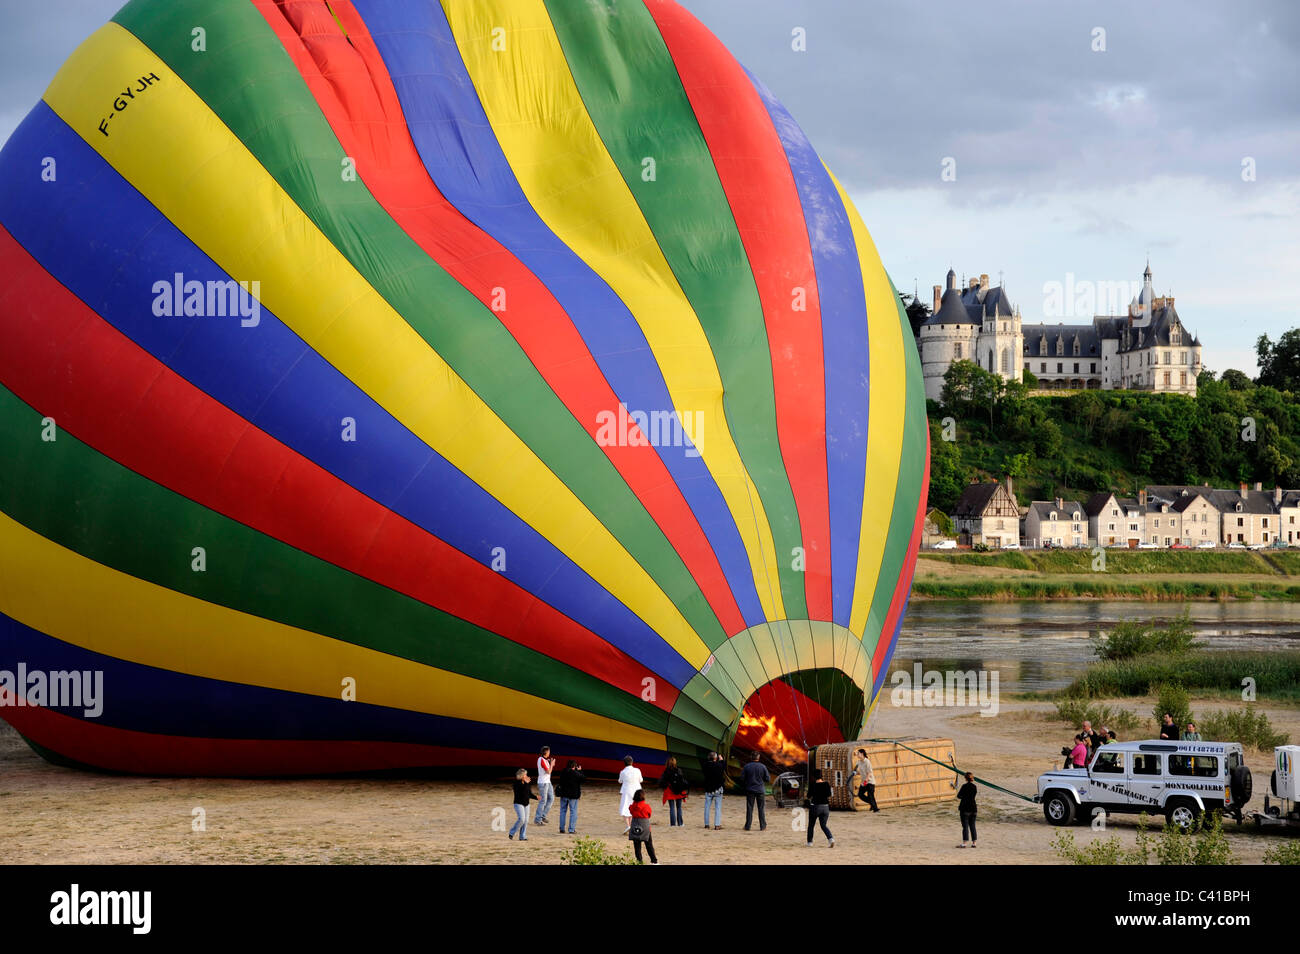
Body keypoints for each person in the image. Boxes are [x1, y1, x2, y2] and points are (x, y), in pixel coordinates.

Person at [805, 768, 835, 848]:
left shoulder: (813, 785)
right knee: (823, 825)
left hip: (815, 807)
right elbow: (829, 794)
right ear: (821, 776)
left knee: (811, 825)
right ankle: (831, 839)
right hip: (825, 807)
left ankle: (810, 842)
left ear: (814, 777)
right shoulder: (826, 784)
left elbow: (808, 796)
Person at [741, 752, 770, 831]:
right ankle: (763, 826)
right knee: (761, 808)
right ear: (758, 757)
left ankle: (747, 826)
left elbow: (742, 778)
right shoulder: (763, 767)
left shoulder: (747, 766)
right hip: (760, 790)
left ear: (751, 757)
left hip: (750, 790)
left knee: (749, 808)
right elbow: (767, 779)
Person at [628, 789, 658, 864]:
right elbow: (649, 815)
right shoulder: (646, 806)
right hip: (645, 828)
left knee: (637, 846)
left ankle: (639, 861)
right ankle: (654, 861)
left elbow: (631, 811)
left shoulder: (632, 807)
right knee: (649, 845)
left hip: (635, 826)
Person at [556, 759, 585, 834]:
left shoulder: (563, 772)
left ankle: (562, 828)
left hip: (564, 794)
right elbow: (583, 779)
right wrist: (579, 771)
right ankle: (571, 829)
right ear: (574, 766)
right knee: (573, 812)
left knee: (563, 811)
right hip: (573, 795)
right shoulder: (575, 773)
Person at [509, 768, 538, 841]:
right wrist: (526, 783)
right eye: (525, 775)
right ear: (521, 776)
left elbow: (528, 794)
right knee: (522, 819)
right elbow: (522, 792)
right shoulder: (516, 783)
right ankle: (512, 832)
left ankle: (522, 836)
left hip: (526, 804)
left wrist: (536, 797)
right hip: (518, 804)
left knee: (526, 821)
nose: (526, 776)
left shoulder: (526, 783)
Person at [660, 756, 688, 827]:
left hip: (670, 790)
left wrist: (666, 786)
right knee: (679, 807)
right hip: (679, 790)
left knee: (672, 807)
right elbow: (683, 780)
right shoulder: (679, 770)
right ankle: (680, 823)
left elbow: (662, 782)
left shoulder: (666, 771)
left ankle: (673, 824)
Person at [618, 755, 644, 831]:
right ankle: (632, 824)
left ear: (624, 763)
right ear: (632, 762)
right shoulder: (637, 770)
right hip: (636, 791)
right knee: (635, 807)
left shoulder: (623, 772)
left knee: (625, 807)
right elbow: (641, 780)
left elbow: (620, 781)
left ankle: (628, 825)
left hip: (626, 791)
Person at [701, 751, 726, 830]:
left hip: (708, 789)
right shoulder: (719, 765)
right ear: (715, 758)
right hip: (718, 788)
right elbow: (723, 766)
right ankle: (717, 825)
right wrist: (721, 760)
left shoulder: (705, 765)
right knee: (718, 807)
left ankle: (706, 824)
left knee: (707, 806)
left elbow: (708, 763)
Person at [534, 746, 556, 826]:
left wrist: (550, 763)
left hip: (547, 782)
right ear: (546, 752)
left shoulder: (545, 760)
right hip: (543, 783)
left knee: (551, 798)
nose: (549, 753)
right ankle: (538, 819)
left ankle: (542, 815)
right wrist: (552, 764)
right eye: (549, 751)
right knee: (543, 801)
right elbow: (548, 771)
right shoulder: (541, 760)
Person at [957, 771, 978, 849]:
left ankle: (965, 843)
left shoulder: (964, 786)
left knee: (965, 826)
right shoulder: (974, 787)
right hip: (973, 808)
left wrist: (964, 797)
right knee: (972, 825)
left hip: (965, 808)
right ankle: (974, 843)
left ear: (965, 778)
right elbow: (973, 795)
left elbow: (959, 796)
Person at [854, 748, 879, 812]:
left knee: (870, 795)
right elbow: (860, 771)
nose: (857, 755)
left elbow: (869, 773)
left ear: (862, 754)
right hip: (864, 781)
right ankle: (872, 804)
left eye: (858, 753)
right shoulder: (859, 762)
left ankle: (875, 809)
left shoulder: (867, 762)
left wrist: (865, 782)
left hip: (870, 782)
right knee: (860, 794)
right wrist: (855, 772)